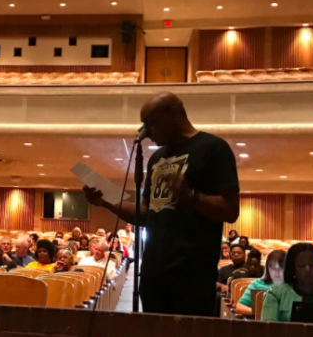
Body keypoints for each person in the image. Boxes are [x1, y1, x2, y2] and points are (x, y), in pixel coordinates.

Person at [84, 92, 240, 316]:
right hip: (153, 273)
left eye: (151, 123)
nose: (146, 133)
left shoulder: (213, 148)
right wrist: (107, 203)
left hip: (192, 277)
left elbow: (231, 210)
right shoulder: (157, 158)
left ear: (174, 114)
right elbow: (146, 214)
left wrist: (193, 197)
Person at [261, 243, 313, 322]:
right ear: (292, 268)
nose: (308, 270)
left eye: (312, 265)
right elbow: (268, 330)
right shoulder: (276, 294)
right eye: (301, 266)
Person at [235, 250, 286, 317]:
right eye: (272, 267)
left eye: (281, 267)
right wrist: (262, 312)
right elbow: (239, 307)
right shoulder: (257, 284)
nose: (276, 272)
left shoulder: (294, 285)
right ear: (267, 268)